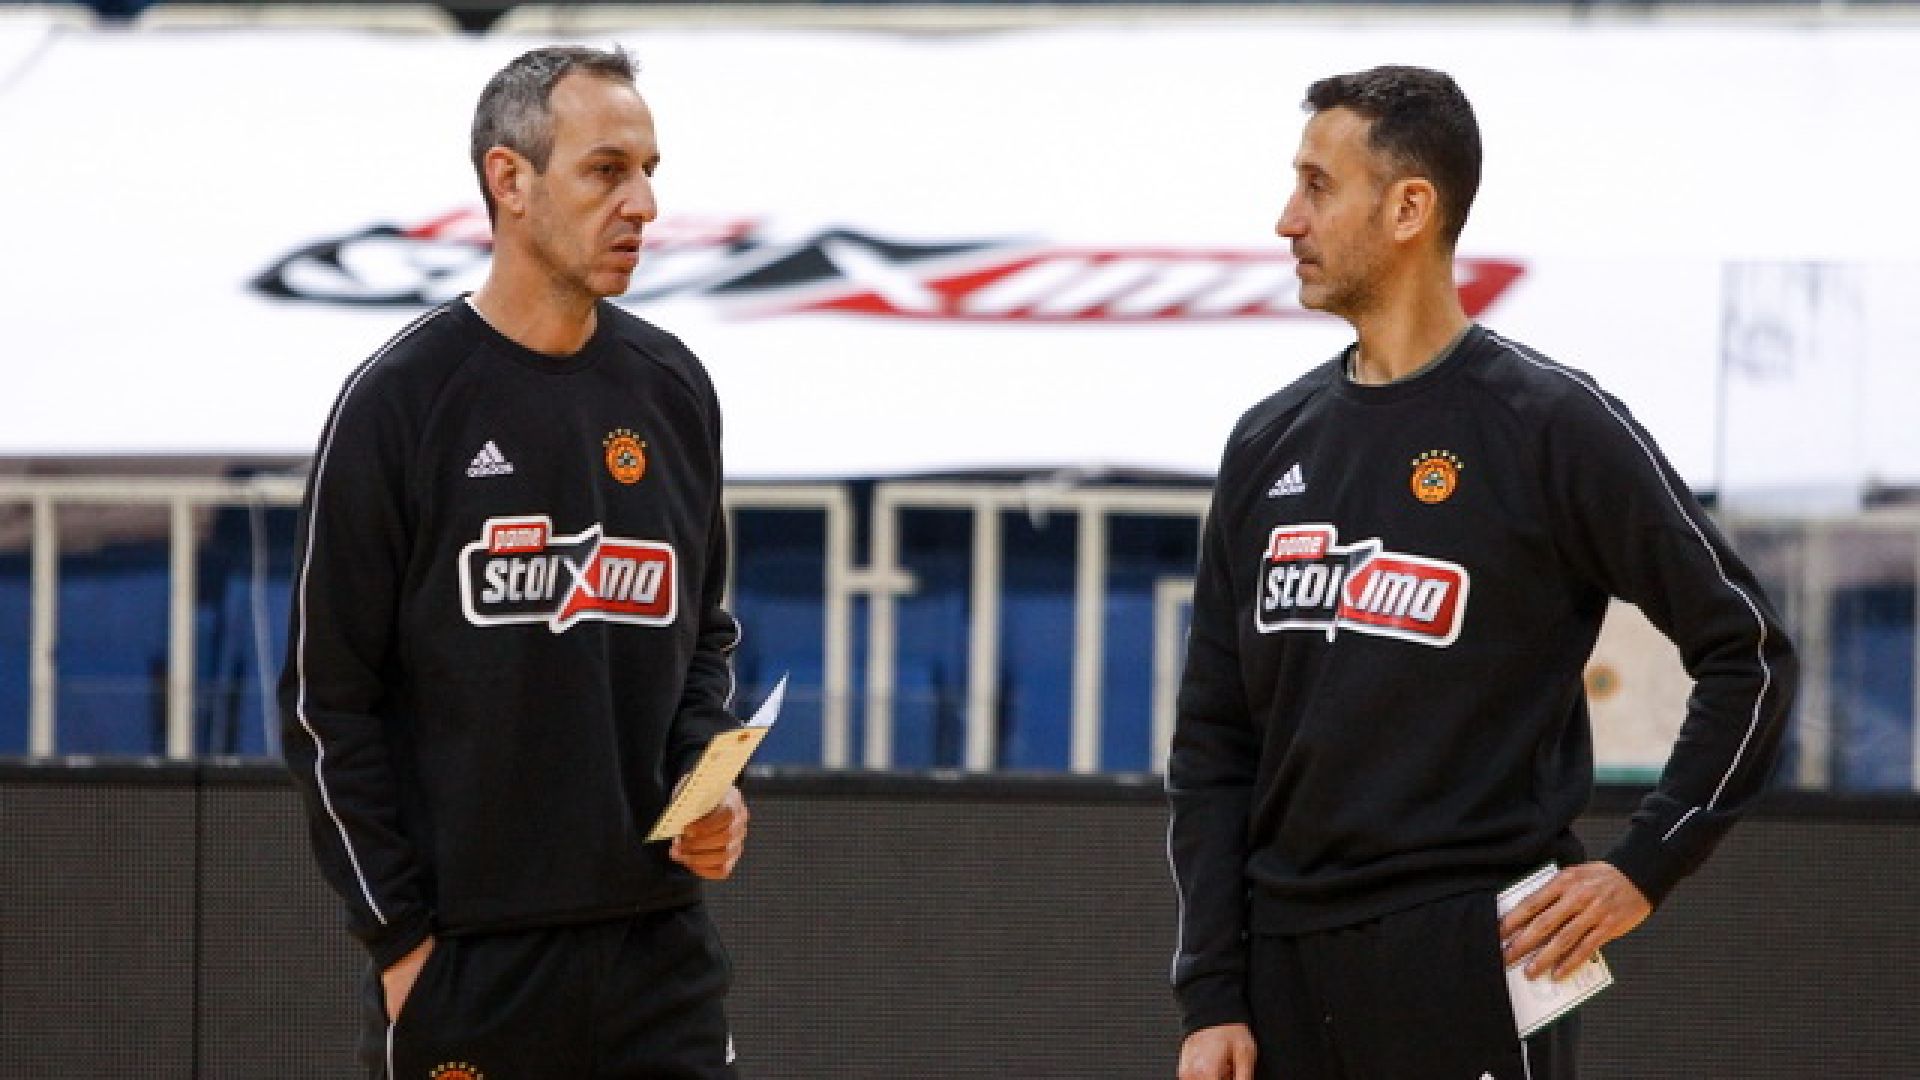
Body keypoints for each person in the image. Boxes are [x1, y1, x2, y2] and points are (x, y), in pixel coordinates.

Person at [1167, 66, 1797, 1080]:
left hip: (1475, 949)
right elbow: (1211, 746)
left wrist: (1645, 864)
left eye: (1317, 185)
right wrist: (1211, 994)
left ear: (1409, 207)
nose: (1287, 219)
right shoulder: (1267, 441)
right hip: (1281, 969)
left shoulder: (1550, 424)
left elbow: (1750, 656)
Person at [280, 46, 749, 1079]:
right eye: (606, 170)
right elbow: (325, 704)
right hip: (471, 962)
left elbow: (701, 640)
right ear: (510, 179)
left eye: (650, 171)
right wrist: (402, 944)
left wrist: (704, 776)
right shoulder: (400, 402)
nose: (644, 205)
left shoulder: (673, 387)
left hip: (658, 956)